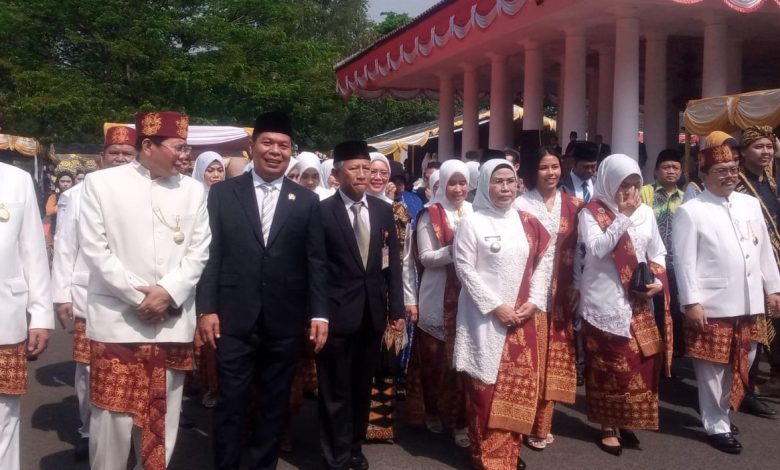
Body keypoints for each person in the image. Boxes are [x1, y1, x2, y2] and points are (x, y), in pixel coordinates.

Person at [79, 111, 210, 470]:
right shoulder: (101, 185)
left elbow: (200, 250)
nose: (185, 155)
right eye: (178, 147)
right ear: (149, 145)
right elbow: (95, 249)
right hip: (117, 322)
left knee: (161, 422)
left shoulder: (193, 190)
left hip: (171, 324)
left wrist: (167, 292)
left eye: (187, 148)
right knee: (112, 422)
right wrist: (140, 297)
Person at [196, 111, 327, 469]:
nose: (275, 151)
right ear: (252, 147)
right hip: (233, 316)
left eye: (283, 145)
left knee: (274, 402)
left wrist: (319, 313)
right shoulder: (223, 194)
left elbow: (315, 261)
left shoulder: (306, 201)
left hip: (284, 319)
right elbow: (211, 254)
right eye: (267, 142)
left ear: (290, 151)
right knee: (231, 400)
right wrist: (206, 308)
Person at [673, 141, 780, 454]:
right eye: (721, 171)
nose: (729, 175)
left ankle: (721, 413)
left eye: (733, 169)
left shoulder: (749, 204)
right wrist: (691, 302)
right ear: (704, 174)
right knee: (713, 368)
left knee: (746, 358)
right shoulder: (692, 211)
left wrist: (774, 288)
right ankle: (716, 425)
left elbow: (763, 250)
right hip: (712, 303)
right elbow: (683, 261)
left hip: (749, 301)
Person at [453, 159, 550, 470]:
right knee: (485, 390)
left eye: (510, 180)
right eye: (498, 181)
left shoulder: (527, 221)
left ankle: (508, 451)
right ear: (485, 184)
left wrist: (534, 301)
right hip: (483, 319)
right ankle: (486, 457)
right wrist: (496, 306)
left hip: (522, 319)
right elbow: (464, 269)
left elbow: (543, 264)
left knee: (515, 389)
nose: (505, 187)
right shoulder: (473, 222)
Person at [50, 125, 137, 460]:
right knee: (88, 368)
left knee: (131, 366)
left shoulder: (144, 192)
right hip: (89, 295)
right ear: (101, 158)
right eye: (114, 153)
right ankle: (88, 431)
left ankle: (128, 433)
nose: (120, 159)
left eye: (127, 154)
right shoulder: (75, 195)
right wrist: (61, 295)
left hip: (134, 297)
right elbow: (65, 246)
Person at [317, 140, 405, 470]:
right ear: (338, 174)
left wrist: (396, 309)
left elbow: (392, 265)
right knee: (334, 389)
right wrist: (318, 314)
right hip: (336, 315)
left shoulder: (382, 211)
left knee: (361, 386)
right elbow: (316, 267)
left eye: (366, 168)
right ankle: (334, 454)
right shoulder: (323, 212)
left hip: (372, 314)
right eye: (354, 168)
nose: (362, 174)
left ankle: (354, 446)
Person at [579, 154, 671, 456]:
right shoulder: (591, 212)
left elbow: (658, 252)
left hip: (638, 301)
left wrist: (657, 281)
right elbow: (597, 248)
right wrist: (622, 217)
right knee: (608, 366)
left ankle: (627, 418)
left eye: (634, 184)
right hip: (603, 302)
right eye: (622, 184)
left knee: (639, 364)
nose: (629, 191)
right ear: (608, 182)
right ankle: (607, 424)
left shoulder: (645, 213)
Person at [514, 147, 581, 451]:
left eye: (555, 166)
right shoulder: (520, 204)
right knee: (531, 357)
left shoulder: (574, 205)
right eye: (544, 167)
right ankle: (522, 422)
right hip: (530, 292)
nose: (551, 172)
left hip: (563, 292)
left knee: (554, 360)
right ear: (533, 171)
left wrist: (577, 285)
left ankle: (543, 424)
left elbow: (580, 251)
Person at [406, 160, 473, 447]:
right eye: (452, 183)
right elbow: (425, 257)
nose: (457, 189)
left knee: (463, 364)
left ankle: (460, 422)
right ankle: (432, 410)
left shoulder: (475, 211)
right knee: (435, 361)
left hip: (467, 297)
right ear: (442, 183)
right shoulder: (429, 214)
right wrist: (457, 249)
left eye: (462, 182)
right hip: (436, 296)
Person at [0, 162, 53, 470]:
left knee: (4, 417)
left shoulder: (16, 180)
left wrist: (41, 315)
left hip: (4, 318)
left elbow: (32, 251)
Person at [733, 125, 780, 411]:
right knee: (753, 327)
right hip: (749, 264)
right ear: (744, 151)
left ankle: (772, 376)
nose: (766, 152)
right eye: (759, 147)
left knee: (774, 320)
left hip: (774, 262)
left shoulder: (770, 182)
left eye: (769, 147)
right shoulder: (736, 184)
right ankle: (744, 388)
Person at [639, 149, 685, 356]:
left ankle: (672, 354)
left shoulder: (685, 197)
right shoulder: (645, 193)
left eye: (675, 168)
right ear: (656, 171)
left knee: (674, 307)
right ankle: (653, 353)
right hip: (649, 261)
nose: (671, 171)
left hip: (677, 262)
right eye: (666, 167)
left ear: (681, 172)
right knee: (653, 308)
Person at [683, 131, 740, 203]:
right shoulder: (696, 188)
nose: (732, 164)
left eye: (736, 159)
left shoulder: (744, 184)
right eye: (727, 159)